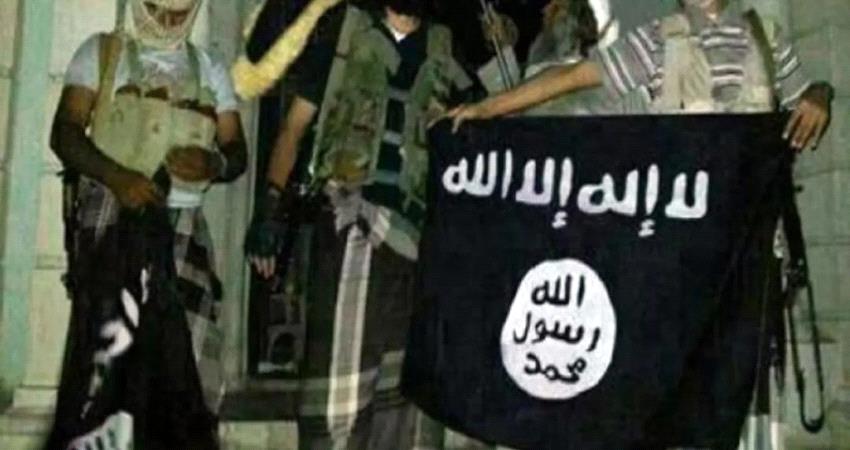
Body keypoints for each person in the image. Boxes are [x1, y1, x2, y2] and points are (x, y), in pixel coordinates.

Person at [242, 0, 472, 448]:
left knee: (404, 390)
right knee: (338, 388)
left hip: (419, 239)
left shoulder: (444, 50)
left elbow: (487, 121)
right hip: (350, 224)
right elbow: (293, 129)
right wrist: (269, 210)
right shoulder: (343, 34)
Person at [47, 0, 247, 448]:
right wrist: (118, 178)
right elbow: (65, 133)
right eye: (159, 10)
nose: (169, 22)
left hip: (183, 229)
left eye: (180, 13)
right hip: (114, 228)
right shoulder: (102, 53)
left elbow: (237, 152)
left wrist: (214, 164)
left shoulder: (209, 68)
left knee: (189, 362)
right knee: (108, 363)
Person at [446, 0, 831, 152]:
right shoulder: (656, 40)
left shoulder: (765, 35)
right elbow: (572, 77)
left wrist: (819, 95)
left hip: (755, 234)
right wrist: (486, 109)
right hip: (687, 233)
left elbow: (805, 96)